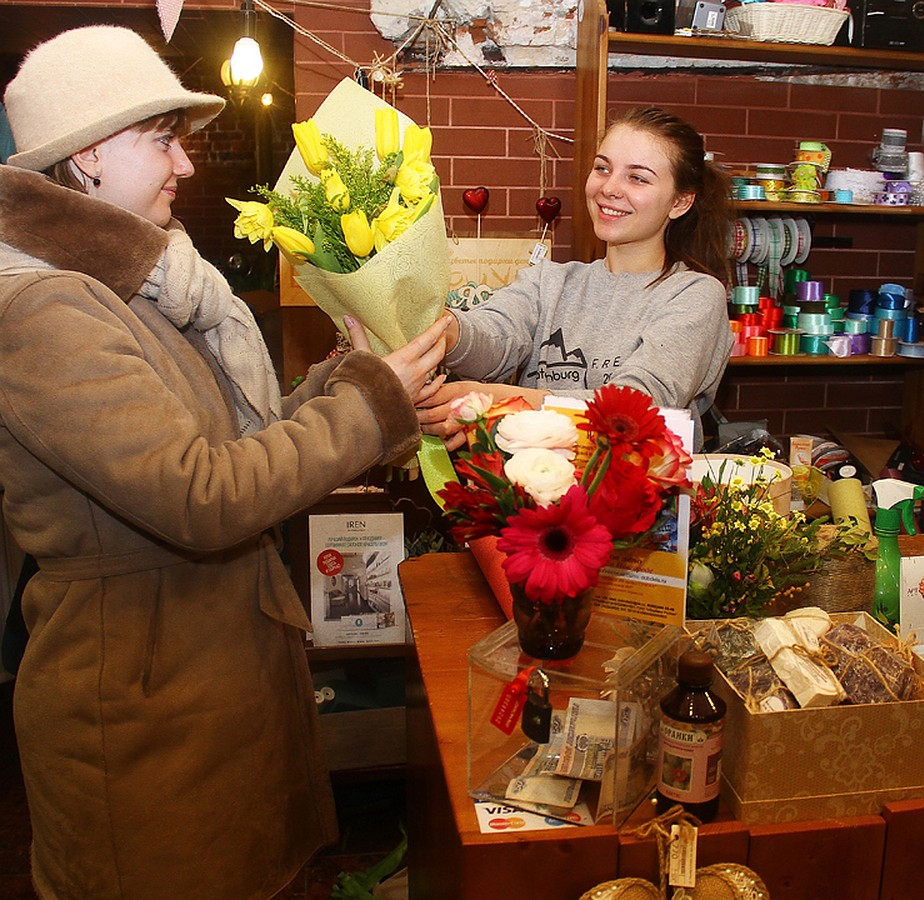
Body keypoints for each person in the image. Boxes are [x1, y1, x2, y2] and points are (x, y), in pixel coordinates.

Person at [0, 25, 449, 899]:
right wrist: (372, 404)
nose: (187, 167)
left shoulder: (139, 284)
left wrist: (355, 382)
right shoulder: (45, 310)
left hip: (205, 676)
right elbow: (203, 495)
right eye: (163, 139)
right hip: (142, 708)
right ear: (89, 155)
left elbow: (236, 443)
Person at [421, 106, 733, 448]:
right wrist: (442, 328)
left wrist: (497, 401)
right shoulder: (550, 282)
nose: (609, 188)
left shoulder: (694, 294)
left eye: (637, 177)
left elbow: (637, 406)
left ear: (680, 202)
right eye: (602, 168)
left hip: (640, 498)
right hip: (533, 494)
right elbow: (494, 340)